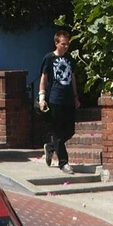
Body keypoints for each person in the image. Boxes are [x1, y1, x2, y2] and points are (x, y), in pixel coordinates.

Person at [38, 30, 81, 173]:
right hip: (55, 98)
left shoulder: (69, 58)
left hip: (68, 98)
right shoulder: (49, 58)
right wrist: (42, 98)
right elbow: (43, 78)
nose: (66, 46)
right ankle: (64, 163)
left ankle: (50, 147)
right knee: (57, 131)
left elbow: (72, 78)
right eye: (63, 44)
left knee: (69, 130)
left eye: (67, 44)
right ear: (56, 43)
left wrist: (75, 97)